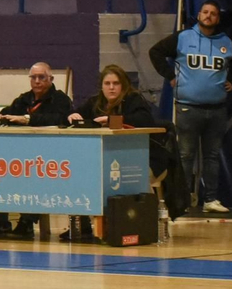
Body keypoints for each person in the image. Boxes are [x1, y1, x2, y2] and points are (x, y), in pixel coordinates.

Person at [149, 0, 232, 213]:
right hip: (188, 107)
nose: (208, 16)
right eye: (205, 12)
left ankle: (211, 200)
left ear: (218, 18)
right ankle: (183, 200)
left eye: (213, 13)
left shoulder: (226, 42)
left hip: (217, 108)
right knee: (186, 155)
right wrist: (170, 75)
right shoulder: (183, 37)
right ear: (198, 16)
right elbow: (155, 52)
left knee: (212, 156)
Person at [65, 64, 163, 242]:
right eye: (107, 83)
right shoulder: (96, 102)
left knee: (106, 176)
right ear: (101, 86)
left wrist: (113, 120)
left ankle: (134, 223)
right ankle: (83, 224)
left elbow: (144, 120)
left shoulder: (134, 100)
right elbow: (77, 112)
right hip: (103, 158)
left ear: (123, 85)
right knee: (79, 173)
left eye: (116, 83)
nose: (111, 87)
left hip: (140, 158)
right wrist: (73, 115)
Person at [0, 62, 74, 238]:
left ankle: (27, 221)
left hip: (52, 156)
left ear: (50, 79)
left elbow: (60, 118)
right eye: (33, 77)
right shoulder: (25, 99)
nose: (37, 81)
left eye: (41, 77)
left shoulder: (61, 99)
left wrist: (28, 119)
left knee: (36, 180)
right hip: (23, 155)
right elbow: (9, 111)